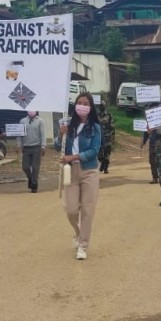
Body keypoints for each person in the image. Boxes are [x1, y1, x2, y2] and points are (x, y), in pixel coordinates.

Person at [56, 93, 102, 260]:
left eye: (85, 103)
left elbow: (94, 151)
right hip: (70, 171)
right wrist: (61, 134)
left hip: (89, 170)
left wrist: (74, 157)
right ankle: (78, 232)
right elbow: (57, 147)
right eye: (79, 102)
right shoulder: (68, 125)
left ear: (90, 108)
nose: (82, 105)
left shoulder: (95, 128)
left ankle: (83, 245)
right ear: (75, 105)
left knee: (88, 209)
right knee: (71, 209)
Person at [18, 111, 46, 193]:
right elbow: (19, 134)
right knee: (25, 167)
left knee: (35, 167)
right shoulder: (22, 121)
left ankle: (34, 185)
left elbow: (43, 134)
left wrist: (43, 146)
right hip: (26, 147)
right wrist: (18, 145)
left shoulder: (40, 121)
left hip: (36, 147)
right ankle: (30, 178)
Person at [97, 100, 115, 174]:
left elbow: (113, 126)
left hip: (107, 136)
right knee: (99, 154)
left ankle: (106, 168)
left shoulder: (109, 115)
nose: (102, 107)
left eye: (103, 105)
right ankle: (103, 163)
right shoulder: (96, 115)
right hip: (98, 137)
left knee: (107, 153)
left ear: (105, 106)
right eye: (100, 105)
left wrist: (113, 136)